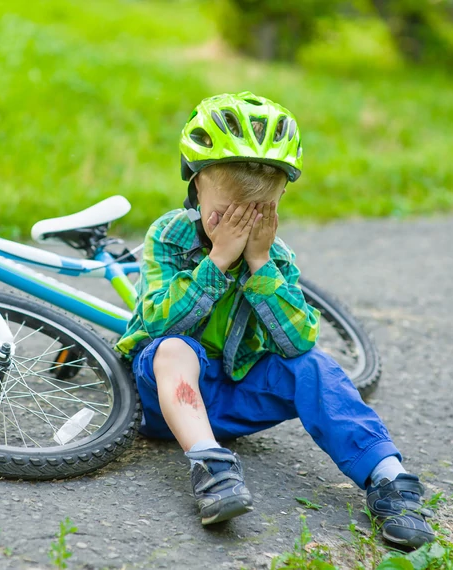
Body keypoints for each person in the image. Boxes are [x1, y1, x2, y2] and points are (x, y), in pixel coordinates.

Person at [116, 92, 434, 549]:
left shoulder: (275, 257)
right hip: (164, 402)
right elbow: (159, 320)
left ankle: (389, 480)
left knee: (315, 366)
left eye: (258, 212)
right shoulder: (170, 235)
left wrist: (261, 266)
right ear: (196, 185)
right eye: (226, 213)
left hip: (234, 401)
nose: (239, 227)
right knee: (172, 348)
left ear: (279, 200)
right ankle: (211, 466)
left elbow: (298, 340)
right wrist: (218, 262)